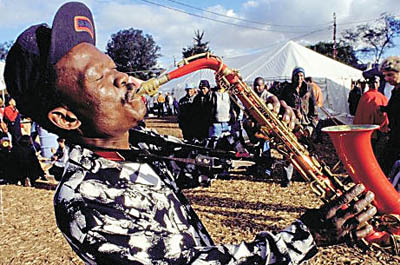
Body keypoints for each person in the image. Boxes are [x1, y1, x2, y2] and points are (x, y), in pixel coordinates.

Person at [4, 2, 376, 264]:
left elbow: (201, 163)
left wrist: (256, 130)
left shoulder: (137, 145)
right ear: (67, 119)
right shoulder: (83, 200)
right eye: (100, 78)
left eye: (114, 67)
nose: (126, 79)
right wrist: (308, 236)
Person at [353, 76, 388, 156]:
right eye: (373, 83)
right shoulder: (367, 96)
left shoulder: (371, 96)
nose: (375, 85)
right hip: (371, 129)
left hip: (371, 129)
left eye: (376, 82)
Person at [279, 67, 318, 137]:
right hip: (292, 122)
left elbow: (314, 108)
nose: (299, 78)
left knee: (306, 145)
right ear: (293, 77)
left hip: (306, 123)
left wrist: (311, 127)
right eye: (297, 76)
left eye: (301, 76)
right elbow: (282, 102)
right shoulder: (287, 89)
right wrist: (294, 110)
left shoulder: (309, 89)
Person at [379, 56, 400, 175]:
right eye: (385, 75)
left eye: (390, 75)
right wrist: (383, 108)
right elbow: (394, 108)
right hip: (395, 133)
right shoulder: (395, 90)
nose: (387, 79)